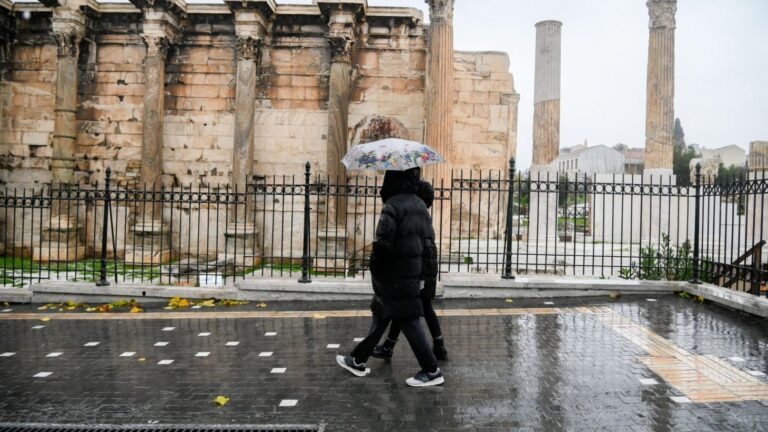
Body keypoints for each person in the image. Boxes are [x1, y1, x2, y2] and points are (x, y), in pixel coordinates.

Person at [336, 168, 444, 387]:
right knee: (382, 313)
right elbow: (427, 241)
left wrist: (374, 263)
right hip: (410, 271)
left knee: (408, 319)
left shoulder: (392, 205)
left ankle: (431, 370)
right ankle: (357, 359)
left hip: (394, 273)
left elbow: (383, 243)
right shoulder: (421, 206)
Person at [371, 178, 447, 361]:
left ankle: (434, 350)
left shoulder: (417, 216)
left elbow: (414, 245)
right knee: (413, 309)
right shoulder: (423, 216)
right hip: (425, 269)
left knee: (411, 309)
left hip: (420, 270)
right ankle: (437, 346)